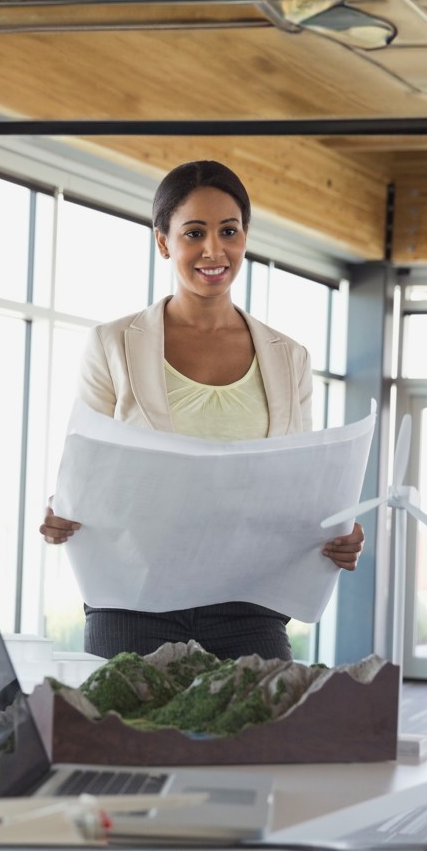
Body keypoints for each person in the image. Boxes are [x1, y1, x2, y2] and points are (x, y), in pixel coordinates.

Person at [39, 160, 365, 662]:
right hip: (133, 599)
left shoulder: (288, 357)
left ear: (245, 237)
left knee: (260, 737)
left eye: (228, 231)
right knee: (126, 741)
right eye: (194, 233)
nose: (214, 250)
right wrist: (62, 509)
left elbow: (297, 486)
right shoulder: (112, 344)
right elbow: (86, 469)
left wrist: (335, 531)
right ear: (164, 243)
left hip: (249, 601)